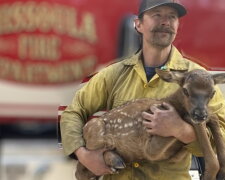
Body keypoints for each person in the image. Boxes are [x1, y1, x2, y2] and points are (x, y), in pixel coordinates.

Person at [60, 0, 225, 179]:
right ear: (138, 24)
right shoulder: (113, 75)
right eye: (157, 15)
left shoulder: (198, 79)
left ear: (177, 26)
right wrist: (83, 155)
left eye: (172, 17)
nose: (165, 22)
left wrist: (180, 130)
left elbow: (221, 133)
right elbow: (73, 113)